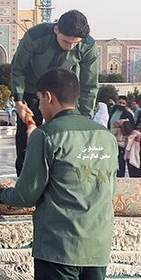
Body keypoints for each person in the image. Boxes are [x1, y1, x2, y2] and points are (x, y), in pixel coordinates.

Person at [0, 68, 117, 280]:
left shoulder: (47, 135)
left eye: (40, 99)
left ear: (49, 97)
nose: (39, 106)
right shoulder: (105, 136)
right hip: (97, 245)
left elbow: (26, 195)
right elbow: (109, 189)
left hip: (59, 247)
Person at [9, 10, 99, 174]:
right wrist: (19, 100)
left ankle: (60, 174)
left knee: (65, 133)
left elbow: (89, 85)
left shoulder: (88, 46)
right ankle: (24, 175)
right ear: (56, 29)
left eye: (75, 43)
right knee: (27, 133)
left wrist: (85, 118)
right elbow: (17, 68)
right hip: (32, 89)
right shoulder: (36, 36)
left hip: (62, 92)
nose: (70, 47)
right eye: (66, 41)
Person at [107, 96, 133, 177]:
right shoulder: (113, 112)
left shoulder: (128, 114)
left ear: (126, 104)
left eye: (123, 103)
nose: (121, 104)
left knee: (121, 160)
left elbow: (131, 128)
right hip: (112, 138)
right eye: (120, 102)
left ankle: (121, 175)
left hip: (121, 141)